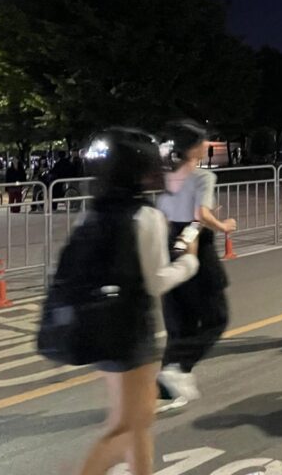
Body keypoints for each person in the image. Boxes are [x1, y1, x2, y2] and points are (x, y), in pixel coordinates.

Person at [76, 128, 199, 475]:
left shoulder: (94, 212)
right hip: (131, 330)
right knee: (129, 425)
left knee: (137, 420)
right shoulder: (145, 217)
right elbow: (156, 281)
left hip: (99, 325)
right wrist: (189, 261)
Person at [156, 121, 236, 409]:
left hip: (170, 246)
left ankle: (167, 391)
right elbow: (200, 215)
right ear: (193, 148)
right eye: (203, 141)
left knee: (181, 323)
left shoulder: (167, 177)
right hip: (196, 247)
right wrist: (223, 225)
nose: (206, 145)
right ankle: (177, 369)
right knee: (217, 318)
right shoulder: (203, 176)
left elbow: (167, 216)